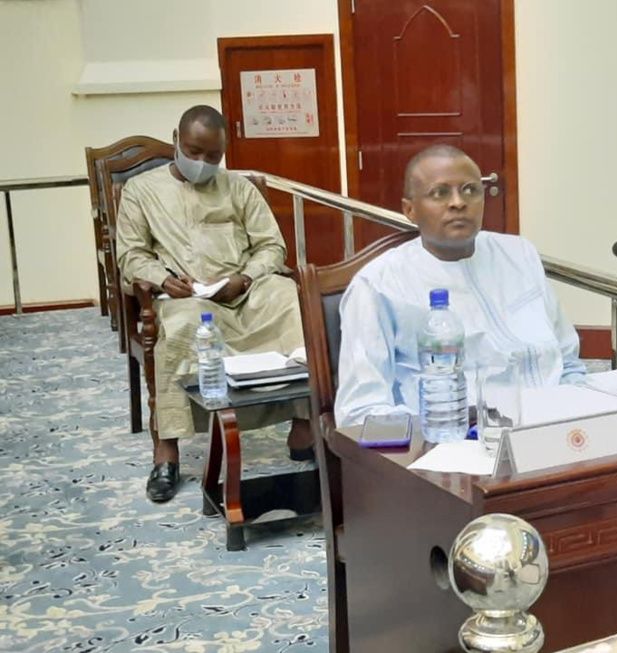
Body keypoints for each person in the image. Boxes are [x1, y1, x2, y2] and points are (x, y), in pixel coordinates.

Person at [115, 105, 311, 503]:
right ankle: (166, 448)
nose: (203, 163)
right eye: (194, 151)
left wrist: (245, 278)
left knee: (288, 299)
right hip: (184, 296)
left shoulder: (239, 187)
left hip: (243, 290)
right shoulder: (141, 190)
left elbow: (271, 247)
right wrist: (163, 279)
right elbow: (131, 255)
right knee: (184, 324)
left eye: (213, 156)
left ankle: (303, 424)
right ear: (176, 139)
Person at [335, 144, 586, 427]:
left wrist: (579, 413)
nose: (458, 202)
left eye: (470, 190)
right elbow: (359, 412)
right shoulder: (378, 285)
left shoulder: (519, 255)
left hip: (556, 424)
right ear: (410, 210)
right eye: (439, 193)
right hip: (458, 439)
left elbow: (568, 362)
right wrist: (441, 427)